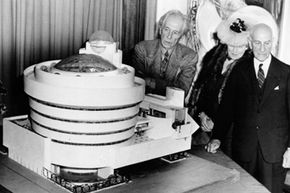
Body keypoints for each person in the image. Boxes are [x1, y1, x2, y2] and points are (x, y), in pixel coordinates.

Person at [206, 23, 290, 193]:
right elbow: (227, 108)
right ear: (250, 42)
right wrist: (217, 137)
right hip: (244, 149)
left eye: (266, 43)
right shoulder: (238, 70)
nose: (262, 48)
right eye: (257, 43)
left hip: (274, 152)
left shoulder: (286, 73)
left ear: (272, 42)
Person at [189, 17, 251, 146]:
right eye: (231, 45)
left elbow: (242, 111)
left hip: (228, 136)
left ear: (247, 46)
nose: (234, 50)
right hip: (202, 125)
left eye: (239, 46)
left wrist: (217, 126)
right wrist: (202, 115)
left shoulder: (248, 70)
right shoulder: (214, 57)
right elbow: (201, 91)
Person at [131, 10, 198, 96]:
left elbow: (181, 91)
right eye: (166, 29)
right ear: (160, 30)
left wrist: (152, 83)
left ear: (181, 36)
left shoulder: (189, 56)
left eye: (175, 33)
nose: (169, 36)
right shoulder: (142, 48)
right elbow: (137, 83)